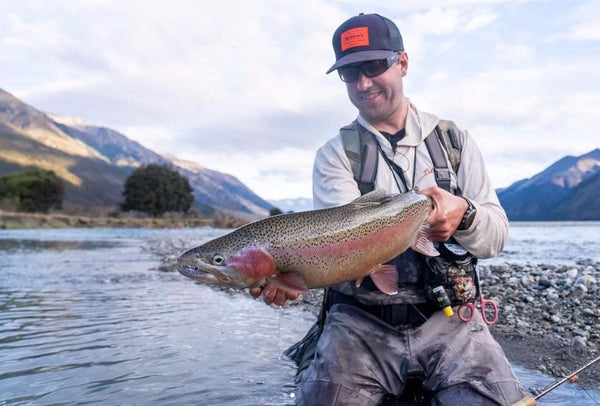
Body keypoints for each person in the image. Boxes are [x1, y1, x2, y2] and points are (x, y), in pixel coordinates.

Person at [252, 13, 526, 406]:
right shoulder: (335, 155)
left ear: (403, 63)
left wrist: (463, 212)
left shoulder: (454, 141)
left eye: (373, 66)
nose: (363, 83)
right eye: (349, 73)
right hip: (359, 324)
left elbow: (496, 236)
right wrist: (290, 277)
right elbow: (340, 247)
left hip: (451, 321)